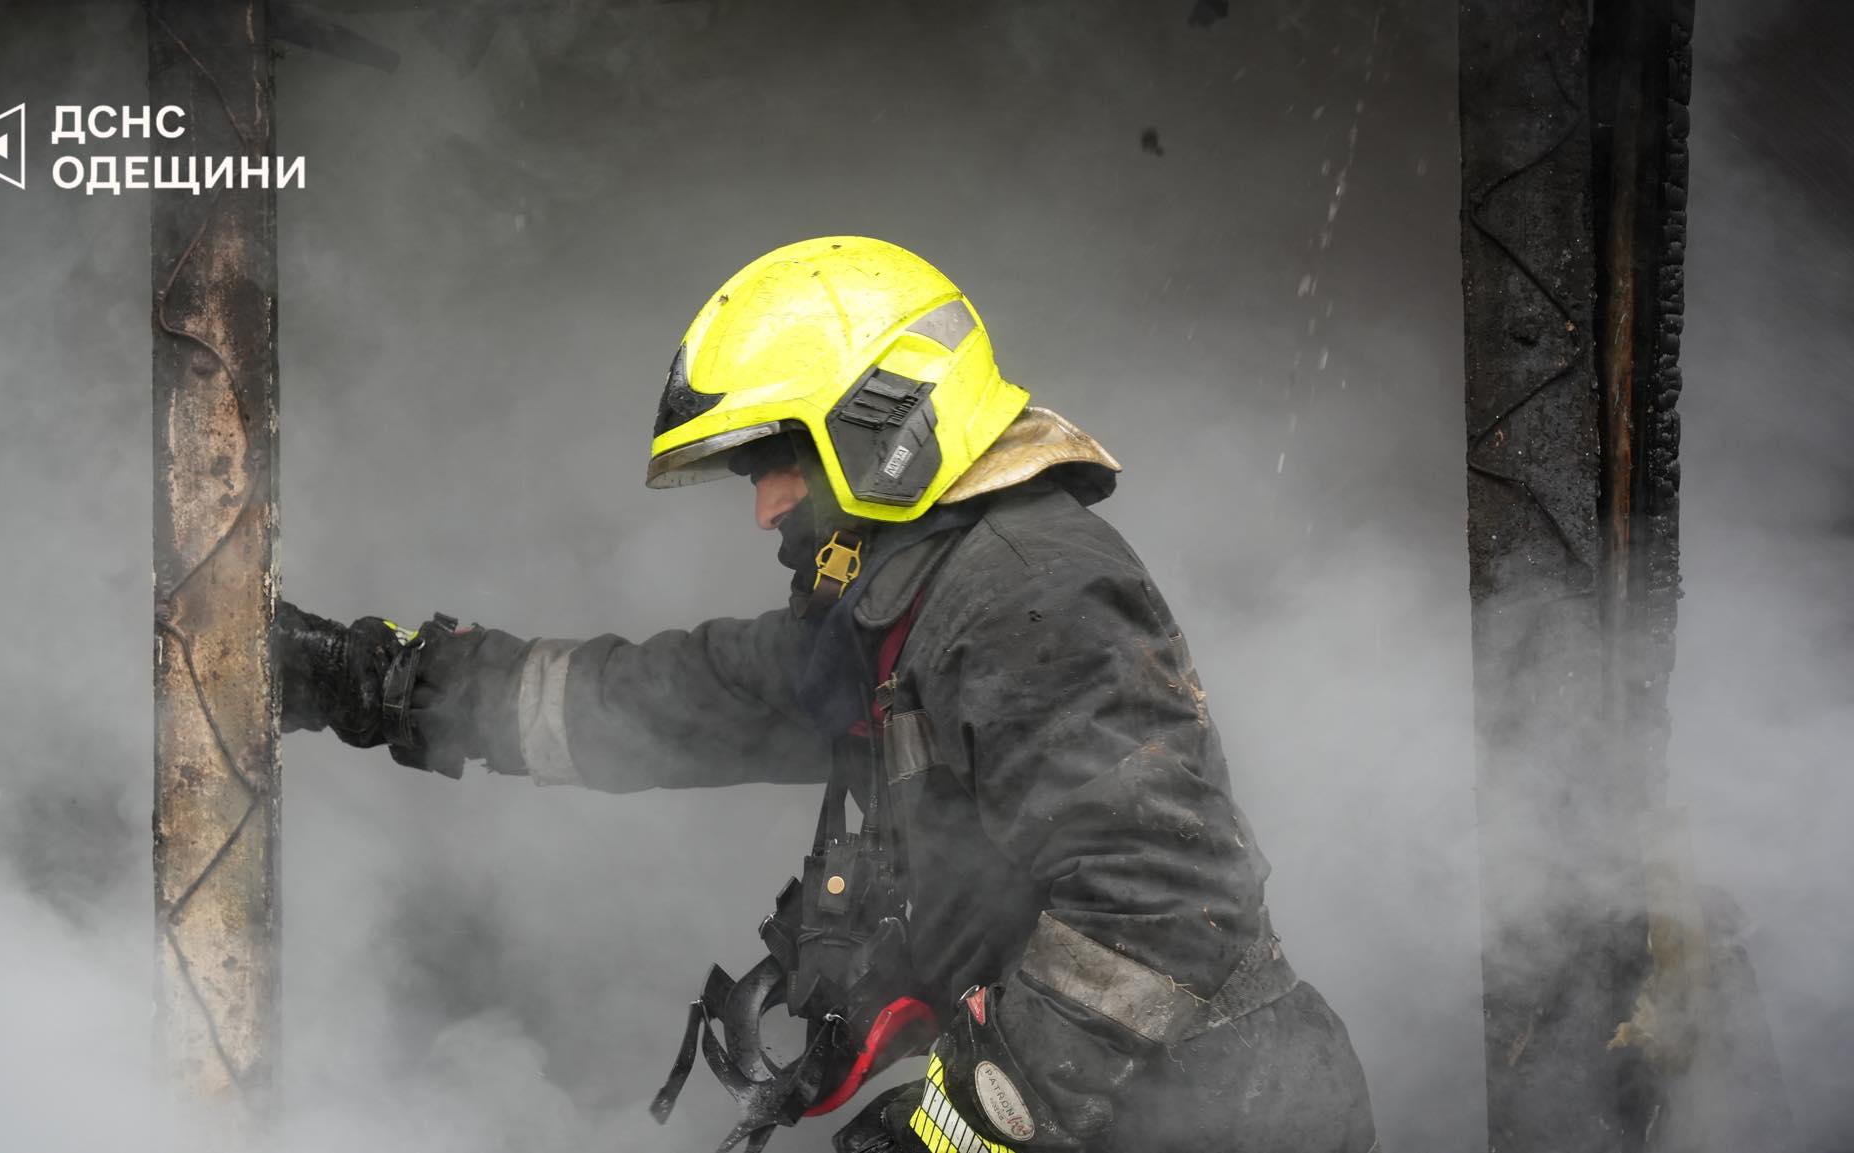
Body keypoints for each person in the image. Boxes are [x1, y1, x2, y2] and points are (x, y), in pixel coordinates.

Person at [276, 237, 1377, 1153]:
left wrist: (962, 1119)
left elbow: (1161, 906)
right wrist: (384, 686)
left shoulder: (1028, 589)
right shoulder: (906, 614)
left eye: (775, 462)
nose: (762, 510)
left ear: (879, 425)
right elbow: (679, 700)